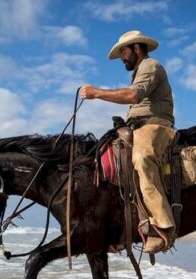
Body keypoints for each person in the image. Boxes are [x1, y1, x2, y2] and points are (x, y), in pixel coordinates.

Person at [81, 30, 176, 254]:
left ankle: (163, 227)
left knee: (142, 159)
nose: (123, 57)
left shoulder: (151, 66)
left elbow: (134, 96)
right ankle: (122, 227)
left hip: (156, 125)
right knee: (107, 160)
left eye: (124, 51)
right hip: (137, 126)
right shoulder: (138, 71)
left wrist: (96, 93)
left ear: (137, 48)